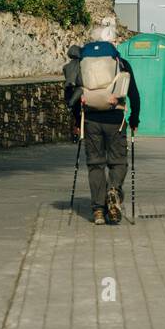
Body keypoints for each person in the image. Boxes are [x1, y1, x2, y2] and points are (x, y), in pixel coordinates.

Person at [68, 24, 139, 225]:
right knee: (118, 162)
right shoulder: (121, 62)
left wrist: (76, 120)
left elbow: (73, 91)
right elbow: (134, 94)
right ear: (112, 42)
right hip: (115, 120)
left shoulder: (83, 62)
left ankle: (98, 210)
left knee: (95, 164)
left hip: (91, 120)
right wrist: (134, 119)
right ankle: (113, 190)